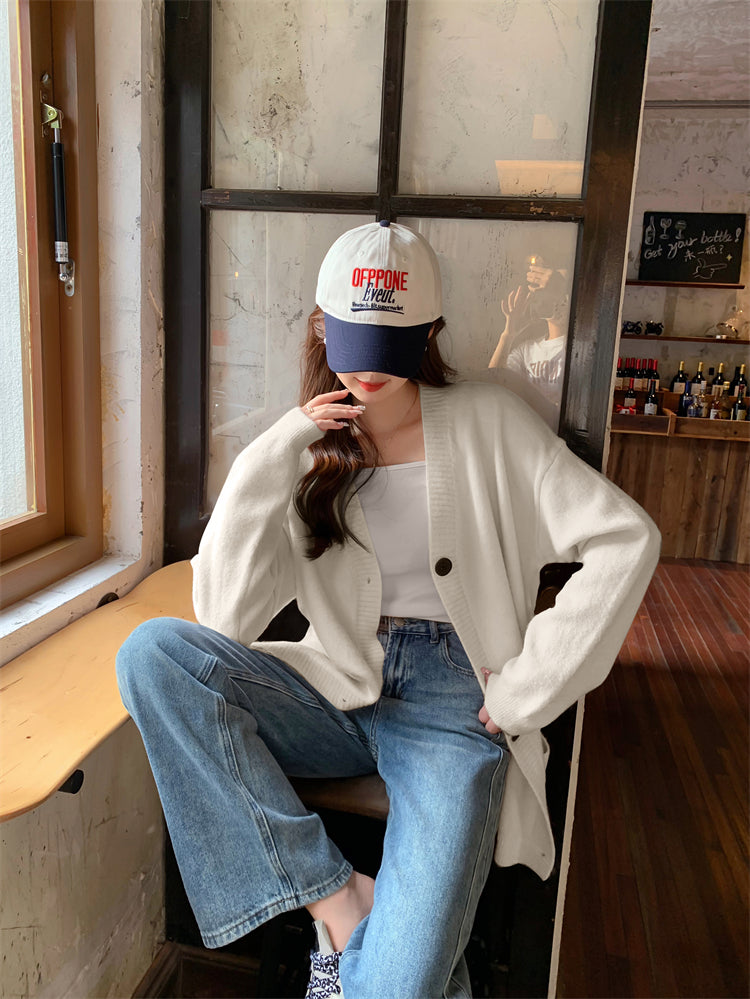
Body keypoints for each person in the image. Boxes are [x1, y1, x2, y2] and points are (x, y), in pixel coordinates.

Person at [116, 221, 661, 999]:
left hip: (453, 700)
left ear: (430, 333)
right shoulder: (307, 448)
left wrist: (526, 690)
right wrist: (280, 446)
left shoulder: (489, 423)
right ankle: (339, 898)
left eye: (393, 345)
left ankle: (359, 951)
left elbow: (626, 538)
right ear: (320, 326)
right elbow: (224, 616)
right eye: (353, 340)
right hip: (333, 683)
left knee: (399, 988)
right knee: (153, 656)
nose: (370, 368)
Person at [489, 255, 571, 429]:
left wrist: (561, 282)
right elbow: (492, 384)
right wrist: (508, 335)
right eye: (550, 293)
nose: (559, 301)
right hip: (528, 432)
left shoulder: (580, 348)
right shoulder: (527, 349)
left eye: (562, 293)